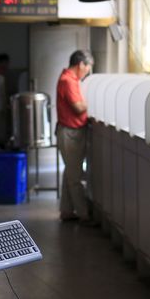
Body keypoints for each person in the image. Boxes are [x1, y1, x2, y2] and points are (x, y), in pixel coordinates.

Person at [56, 50, 94, 224]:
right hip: (70, 132)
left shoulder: (71, 80)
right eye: (87, 68)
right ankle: (84, 214)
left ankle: (66, 211)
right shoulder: (68, 81)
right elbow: (78, 108)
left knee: (70, 172)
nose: (87, 72)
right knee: (75, 176)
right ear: (80, 64)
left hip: (71, 131)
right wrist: (93, 101)